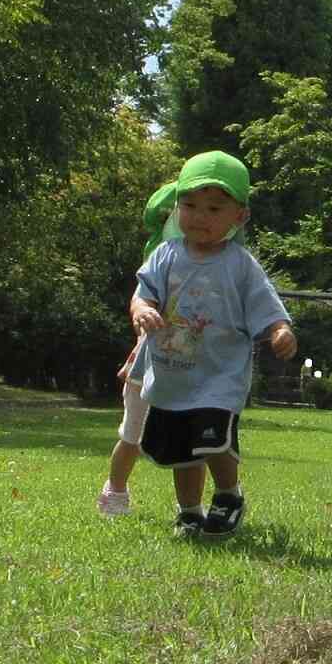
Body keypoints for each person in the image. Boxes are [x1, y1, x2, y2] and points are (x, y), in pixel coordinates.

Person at [129, 150, 298, 538]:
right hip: (173, 376)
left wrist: (279, 331)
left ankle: (228, 495)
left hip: (218, 377)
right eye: (189, 205)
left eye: (214, 208)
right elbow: (142, 294)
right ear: (175, 208)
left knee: (212, 440)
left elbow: (266, 305)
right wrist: (141, 310)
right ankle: (189, 511)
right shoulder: (165, 255)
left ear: (239, 217)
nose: (200, 216)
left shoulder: (240, 264)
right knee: (182, 452)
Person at [97, 179, 181, 515]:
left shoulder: (219, 267)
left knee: (194, 443)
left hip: (194, 369)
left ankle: (190, 504)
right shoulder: (160, 263)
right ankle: (115, 490)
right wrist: (143, 313)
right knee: (132, 434)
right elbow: (140, 301)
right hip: (151, 366)